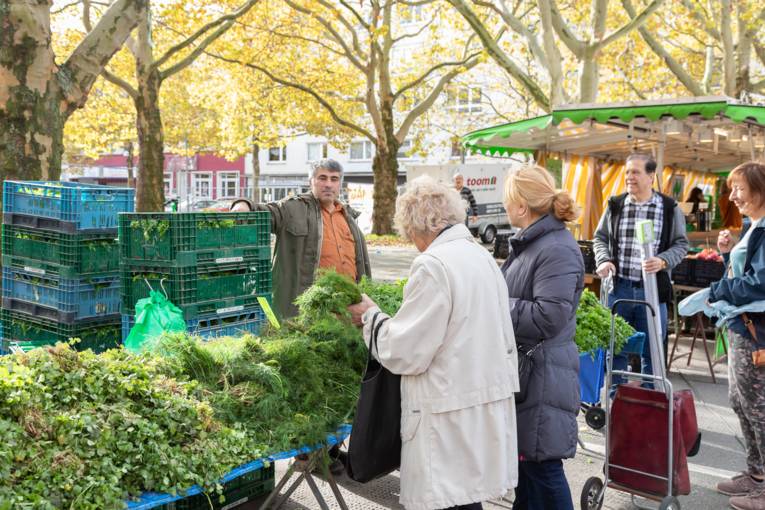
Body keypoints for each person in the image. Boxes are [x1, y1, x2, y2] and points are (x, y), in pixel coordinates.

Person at [348, 176, 519, 510]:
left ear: (418, 225)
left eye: (409, 233)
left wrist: (370, 317)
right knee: (466, 499)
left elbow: (405, 352)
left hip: (445, 416)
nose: (412, 241)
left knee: (447, 499)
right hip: (479, 407)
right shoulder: (481, 257)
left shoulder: (433, 265)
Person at [499, 164, 583, 510]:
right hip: (532, 372)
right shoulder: (536, 243)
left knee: (543, 470)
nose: (504, 206)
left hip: (544, 374)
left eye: (507, 200)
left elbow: (549, 316)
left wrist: (496, 303)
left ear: (521, 205)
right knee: (529, 471)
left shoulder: (555, 248)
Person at [231, 159, 372, 320]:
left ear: (340, 183)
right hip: (309, 308)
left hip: (348, 307)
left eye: (334, 179)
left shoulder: (349, 217)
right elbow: (267, 212)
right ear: (311, 181)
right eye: (322, 178)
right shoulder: (293, 208)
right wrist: (244, 205)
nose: (328, 184)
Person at [593, 153, 688, 380]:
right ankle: (616, 403)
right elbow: (600, 238)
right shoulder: (615, 205)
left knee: (652, 353)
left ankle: (649, 405)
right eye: (627, 172)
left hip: (653, 291)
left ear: (651, 176)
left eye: (635, 172)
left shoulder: (668, 207)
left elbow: (681, 244)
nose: (629, 177)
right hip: (619, 289)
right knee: (614, 351)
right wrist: (604, 259)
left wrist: (663, 260)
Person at [709, 162, 765, 510]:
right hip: (741, 326)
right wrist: (729, 254)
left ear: (759, 191)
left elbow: (760, 281)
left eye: (739, 189)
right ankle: (755, 474)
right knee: (739, 401)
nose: (733, 196)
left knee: (758, 407)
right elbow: (748, 272)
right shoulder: (754, 226)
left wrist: (720, 288)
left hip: (756, 330)